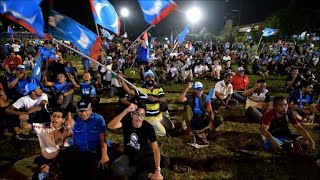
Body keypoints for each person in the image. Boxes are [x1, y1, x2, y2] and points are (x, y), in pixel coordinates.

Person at [108, 103, 170, 180]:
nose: (139, 117)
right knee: (116, 166)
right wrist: (126, 111)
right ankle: (147, 175)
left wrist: (157, 170)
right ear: (132, 114)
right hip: (129, 155)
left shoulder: (148, 127)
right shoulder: (127, 122)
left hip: (145, 154)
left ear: (144, 116)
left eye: (142, 115)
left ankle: (138, 174)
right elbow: (110, 126)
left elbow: (155, 148)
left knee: (165, 160)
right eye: (136, 114)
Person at [61, 100, 109, 179]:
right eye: (80, 111)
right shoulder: (75, 119)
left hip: (94, 150)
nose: (83, 113)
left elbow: (102, 140)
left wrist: (104, 155)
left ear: (91, 109)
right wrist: (68, 128)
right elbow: (68, 134)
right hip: (79, 149)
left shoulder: (98, 119)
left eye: (86, 110)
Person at [20, 108, 72, 179]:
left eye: (58, 117)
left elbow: (64, 151)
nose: (55, 118)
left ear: (63, 120)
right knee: (33, 174)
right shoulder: (43, 126)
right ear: (51, 117)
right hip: (43, 158)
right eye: (54, 116)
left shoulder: (67, 131)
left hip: (60, 159)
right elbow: (25, 126)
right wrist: (23, 120)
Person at [120, 70, 174, 137]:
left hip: (159, 115)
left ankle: (154, 126)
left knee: (171, 127)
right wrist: (122, 80)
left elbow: (164, 100)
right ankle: (144, 130)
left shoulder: (158, 89)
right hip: (149, 117)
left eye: (152, 77)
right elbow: (128, 91)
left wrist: (156, 99)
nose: (150, 78)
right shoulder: (140, 89)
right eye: (148, 77)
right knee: (162, 133)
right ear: (145, 79)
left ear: (154, 79)